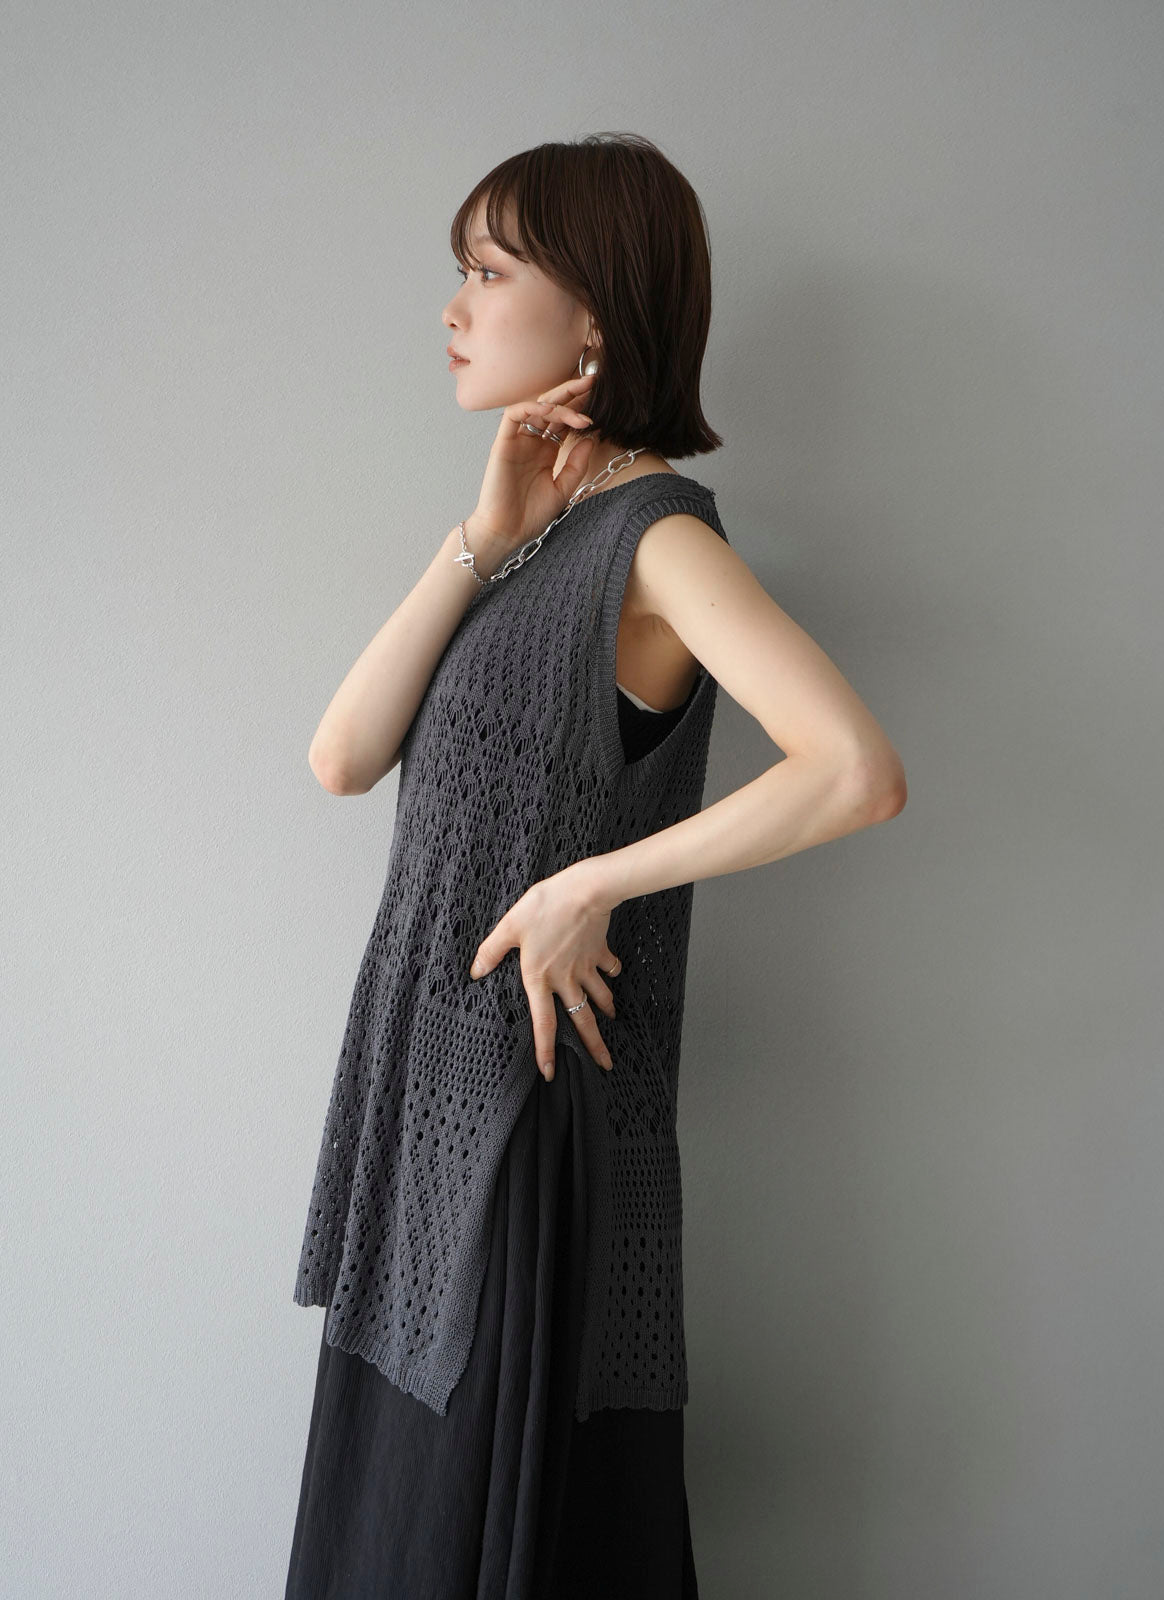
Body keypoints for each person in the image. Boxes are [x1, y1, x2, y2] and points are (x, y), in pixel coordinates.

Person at [286, 132, 907, 1599]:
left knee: (477, 1534)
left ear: (595, 319)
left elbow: (853, 770)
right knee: (399, 1524)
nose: (455, 308)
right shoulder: (537, 541)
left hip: (520, 1118)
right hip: (427, 1107)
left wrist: (590, 883)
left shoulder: (655, 540)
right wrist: (480, 533)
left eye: (490, 272)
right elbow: (341, 756)